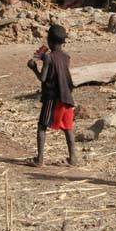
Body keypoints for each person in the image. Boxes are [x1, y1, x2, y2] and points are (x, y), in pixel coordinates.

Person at [27, 25, 76, 167]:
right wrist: (44, 60)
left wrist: (34, 67)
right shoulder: (66, 57)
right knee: (68, 128)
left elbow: (43, 78)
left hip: (53, 97)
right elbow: (59, 68)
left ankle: (39, 159)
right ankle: (73, 158)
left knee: (42, 126)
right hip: (67, 96)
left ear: (49, 40)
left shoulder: (48, 57)